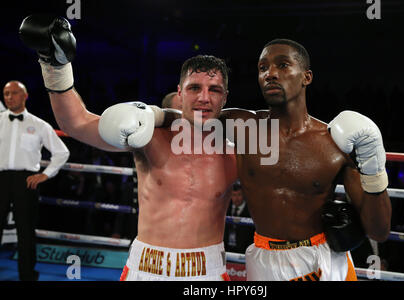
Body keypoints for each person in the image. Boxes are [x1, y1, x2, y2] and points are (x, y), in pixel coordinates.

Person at [19, 15, 237, 281]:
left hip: (206, 270)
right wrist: (55, 64)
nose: (204, 97)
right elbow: (75, 123)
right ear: (180, 92)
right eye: (195, 88)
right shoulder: (151, 137)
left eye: (214, 90)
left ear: (225, 97)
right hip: (145, 266)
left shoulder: (236, 154)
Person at [219, 39, 392, 281]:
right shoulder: (242, 128)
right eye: (262, 68)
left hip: (321, 260)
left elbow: (379, 231)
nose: (270, 74)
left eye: (282, 65)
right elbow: (184, 120)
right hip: (264, 258)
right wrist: (155, 114)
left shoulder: (333, 144)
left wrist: (374, 169)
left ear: (306, 77)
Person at [0, 80, 70, 280]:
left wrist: (45, 174)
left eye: (14, 93)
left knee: (26, 232)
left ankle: (27, 275)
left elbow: (62, 152)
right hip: (1, 178)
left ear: (25, 96)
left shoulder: (39, 125)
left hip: (26, 180)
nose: (10, 97)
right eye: (6, 93)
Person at [224, 181, 254, 254]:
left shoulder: (251, 211)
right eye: (234, 195)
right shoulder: (225, 208)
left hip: (244, 251)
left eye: (239, 195)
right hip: (227, 249)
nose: (236, 198)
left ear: (244, 195)